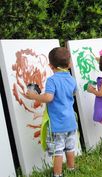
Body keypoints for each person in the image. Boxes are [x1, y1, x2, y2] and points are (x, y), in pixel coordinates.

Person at [25, 47, 78, 177]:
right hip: (71, 122)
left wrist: (34, 96)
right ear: (69, 63)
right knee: (70, 147)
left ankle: (57, 174)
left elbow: (49, 97)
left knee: (58, 150)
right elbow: (74, 92)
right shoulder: (71, 79)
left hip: (57, 124)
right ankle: (71, 168)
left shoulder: (52, 80)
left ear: (50, 65)